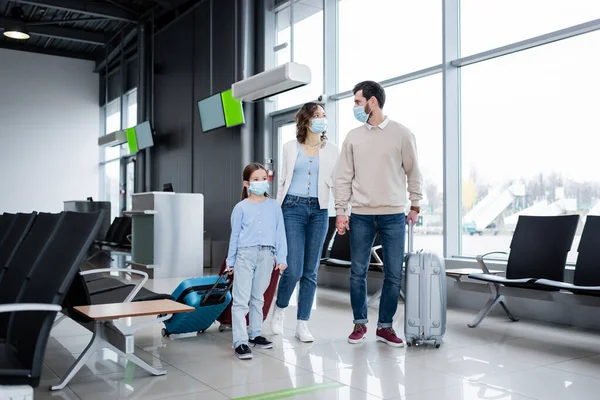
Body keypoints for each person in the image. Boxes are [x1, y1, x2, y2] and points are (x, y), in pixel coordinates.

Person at [334, 80, 423, 347]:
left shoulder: (402, 134)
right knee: (357, 272)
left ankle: (385, 327)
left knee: (394, 272)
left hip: (394, 214)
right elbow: (343, 177)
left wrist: (415, 205)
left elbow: (414, 172)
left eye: (358, 102)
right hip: (360, 214)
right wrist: (341, 210)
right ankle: (359, 324)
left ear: (372, 102)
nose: (355, 107)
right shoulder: (353, 137)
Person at [270, 102, 340, 343]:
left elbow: (339, 183)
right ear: (306, 120)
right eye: (316, 115)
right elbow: (282, 182)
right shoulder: (290, 147)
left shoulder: (332, 150)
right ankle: (279, 309)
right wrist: (276, 213)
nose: (322, 118)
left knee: (311, 271)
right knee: (293, 268)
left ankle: (302, 323)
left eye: (324, 115)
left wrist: (343, 210)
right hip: (292, 208)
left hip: (320, 210)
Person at [225, 163, 288, 360]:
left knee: (258, 298)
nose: (261, 182)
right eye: (256, 179)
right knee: (241, 300)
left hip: (267, 256)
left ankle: (255, 335)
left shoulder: (274, 206)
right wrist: (231, 261)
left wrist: (282, 257)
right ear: (246, 183)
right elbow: (234, 236)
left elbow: (280, 233)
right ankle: (240, 341)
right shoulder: (240, 207)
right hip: (245, 255)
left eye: (264, 178)